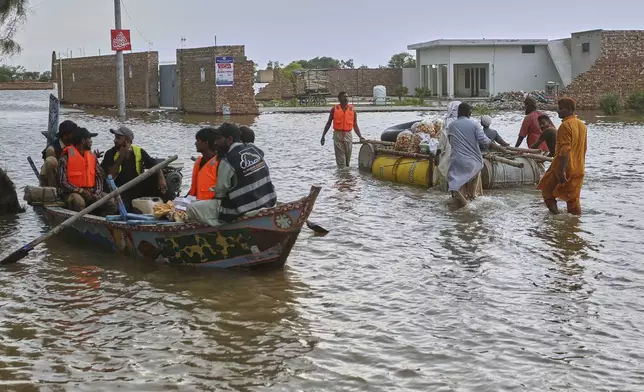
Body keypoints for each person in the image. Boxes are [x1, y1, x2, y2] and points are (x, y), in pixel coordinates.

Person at [186, 123, 277, 226]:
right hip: (270, 201)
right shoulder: (254, 150)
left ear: (229, 139)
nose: (215, 142)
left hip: (243, 209)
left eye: (219, 139)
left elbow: (220, 193)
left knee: (191, 208)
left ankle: (220, 228)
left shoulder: (227, 160)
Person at [447, 102, 507, 207]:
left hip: (456, 161)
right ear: (469, 113)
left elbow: (450, 141)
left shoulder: (451, 125)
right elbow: (485, 141)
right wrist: (500, 148)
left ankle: (460, 203)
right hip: (472, 163)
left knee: (457, 186)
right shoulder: (474, 124)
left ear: (458, 113)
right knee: (472, 194)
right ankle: (469, 205)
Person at [537, 98, 587, 216]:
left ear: (569, 109)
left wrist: (561, 171)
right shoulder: (582, 125)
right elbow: (584, 148)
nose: (558, 111)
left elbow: (565, 149)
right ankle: (574, 225)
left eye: (560, 109)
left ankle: (557, 219)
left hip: (563, 167)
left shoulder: (565, 125)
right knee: (573, 200)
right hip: (579, 168)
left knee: (547, 193)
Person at [100, 126, 167, 209]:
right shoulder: (110, 153)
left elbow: (154, 164)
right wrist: (121, 158)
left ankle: (167, 204)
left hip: (137, 188)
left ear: (128, 141)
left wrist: (161, 178)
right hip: (120, 190)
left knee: (157, 176)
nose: (115, 141)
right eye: (115, 138)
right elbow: (110, 175)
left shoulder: (139, 151)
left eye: (118, 138)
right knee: (123, 207)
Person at [58, 127, 117, 214]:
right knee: (78, 202)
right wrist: (80, 191)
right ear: (83, 141)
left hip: (91, 192)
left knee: (111, 202)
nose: (91, 141)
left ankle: (101, 220)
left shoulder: (92, 157)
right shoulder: (65, 158)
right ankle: (79, 222)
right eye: (89, 139)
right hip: (71, 192)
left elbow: (99, 177)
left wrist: (97, 193)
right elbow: (62, 182)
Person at [320, 91, 365, 168]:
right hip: (338, 135)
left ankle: (346, 177)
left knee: (347, 162)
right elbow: (328, 123)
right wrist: (323, 136)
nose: (346, 98)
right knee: (341, 162)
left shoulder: (352, 111)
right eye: (344, 97)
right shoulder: (334, 110)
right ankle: (341, 176)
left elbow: (355, 125)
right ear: (339, 99)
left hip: (348, 136)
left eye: (347, 97)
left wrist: (360, 136)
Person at [40, 120, 77, 187]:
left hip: (67, 179)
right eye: (73, 134)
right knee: (51, 161)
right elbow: (51, 171)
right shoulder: (51, 150)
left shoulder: (71, 146)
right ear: (65, 135)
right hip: (53, 181)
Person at [434, 101, 461, 191]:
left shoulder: (447, 126)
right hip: (461, 161)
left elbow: (440, 146)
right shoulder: (465, 123)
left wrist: (436, 156)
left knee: (446, 187)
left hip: (448, 161)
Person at [187, 127, 219, 200]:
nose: (195, 143)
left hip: (211, 206)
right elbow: (195, 188)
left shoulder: (220, 163)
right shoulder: (199, 161)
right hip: (195, 203)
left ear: (205, 143)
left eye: (198, 140)